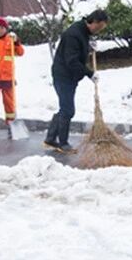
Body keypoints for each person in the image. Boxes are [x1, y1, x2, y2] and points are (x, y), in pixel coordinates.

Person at [44, 9, 109, 153]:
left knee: (64, 108)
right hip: (63, 75)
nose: (98, 31)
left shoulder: (83, 32)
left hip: (69, 76)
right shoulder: (73, 34)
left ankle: (50, 139)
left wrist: (89, 49)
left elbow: (78, 52)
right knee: (68, 110)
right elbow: (71, 61)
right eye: (98, 28)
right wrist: (89, 73)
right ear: (94, 22)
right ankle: (63, 143)